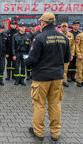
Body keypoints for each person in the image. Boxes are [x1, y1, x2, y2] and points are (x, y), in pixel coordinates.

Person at [25, 12, 71, 142]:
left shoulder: (39, 38)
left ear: (43, 23)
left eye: (40, 22)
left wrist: (26, 62)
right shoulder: (64, 38)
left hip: (41, 78)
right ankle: (55, 133)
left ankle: (38, 133)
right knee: (55, 104)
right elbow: (67, 58)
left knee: (39, 104)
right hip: (57, 77)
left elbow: (32, 59)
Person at [60, 23, 75, 87]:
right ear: (61, 27)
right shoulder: (58, 34)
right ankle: (58, 81)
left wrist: (72, 55)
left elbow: (73, 46)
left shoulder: (70, 35)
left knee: (65, 69)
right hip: (59, 55)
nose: (64, 28)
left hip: (67, 55)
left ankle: (63, 81)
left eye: (65, 27)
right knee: (58, 69)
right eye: (63, 27)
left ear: (67, 27)